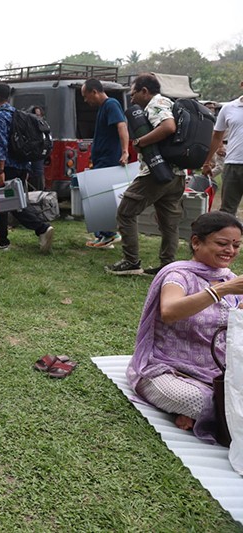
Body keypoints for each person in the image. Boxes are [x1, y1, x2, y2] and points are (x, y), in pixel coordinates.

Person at [127, 211, 243, 443]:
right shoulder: (179, 275)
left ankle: (214, 412)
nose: (230, 251)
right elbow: (170, 312)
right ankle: (205, 412)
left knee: (228, 400)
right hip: (166, 367)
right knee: (198, 401)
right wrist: (221, 290)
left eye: (236, 245)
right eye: (222, 243)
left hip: (217, 370)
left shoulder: (229, 279)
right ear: (196, 242)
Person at [106, 73, 185, 276]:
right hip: (176, 174)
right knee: (168, 222)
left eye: (133, 94)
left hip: (157, 171)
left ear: (144, 91)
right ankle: (167, 265)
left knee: (126, 212)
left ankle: (131, 261)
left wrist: (140, 142)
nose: (132, 99)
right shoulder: (170, 102)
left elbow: (168, 127)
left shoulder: (156, 103)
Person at [0, 84, 54, 253]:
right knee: (7, 202)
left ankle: (41, 228)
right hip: (22, 165)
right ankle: (2, 240)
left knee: (9, 203)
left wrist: (0, 171)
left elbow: (0, 144)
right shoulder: (17, 114)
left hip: (7, 167)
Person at [81, 78, 129, 249]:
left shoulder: (111, 104)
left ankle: (109, 234)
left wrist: (125, 151)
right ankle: (102, 235)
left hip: (109, 159)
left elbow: (122, 126)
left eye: (86, 96)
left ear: (95, 92)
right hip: (101, 159)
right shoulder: (103, 108)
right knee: (96, 197)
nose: (86, 101)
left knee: (101, 198)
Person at [203, 83, 243, 215]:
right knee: (227, 210)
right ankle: (229, 236)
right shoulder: (229, 108)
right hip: (233, 164)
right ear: (242, 85)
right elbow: (216, 136)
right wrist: (207, 162)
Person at [26, 105, 46, 192]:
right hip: (30, 168)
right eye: (35, 115)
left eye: (39, 115)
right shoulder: (26, 129)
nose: (37, 117)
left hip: (38, 168)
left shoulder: (44, 128)